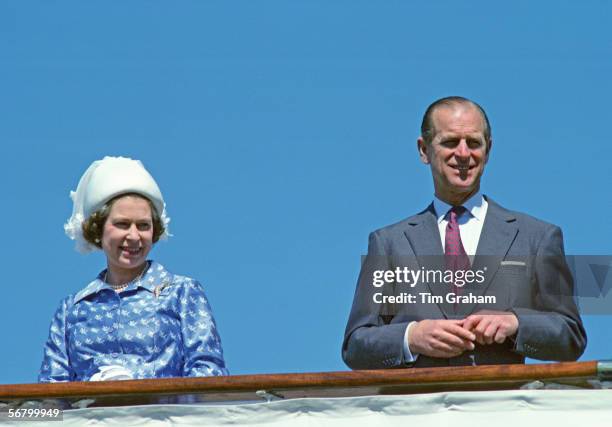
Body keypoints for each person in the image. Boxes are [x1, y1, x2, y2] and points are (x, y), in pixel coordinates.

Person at [342, 96, 586, 369]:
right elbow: (356, 345)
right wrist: (411, 337)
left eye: (473, 143)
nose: (462, 153)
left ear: (488, 149)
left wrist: (516, 323)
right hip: (417, 408)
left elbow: (570, 334)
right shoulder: (388, 243)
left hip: (501, 407)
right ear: (424, 150)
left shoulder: (537, 237)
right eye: (449, 142)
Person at [39, 156, 228, 381]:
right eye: (122, 224)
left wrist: (140, 392)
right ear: (98, 229)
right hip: (89, 416)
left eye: (143, 226)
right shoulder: (72, 310)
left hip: (162, 415)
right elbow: (51, 392)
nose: (134, 236)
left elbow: (208, 372)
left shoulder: (181, 292)